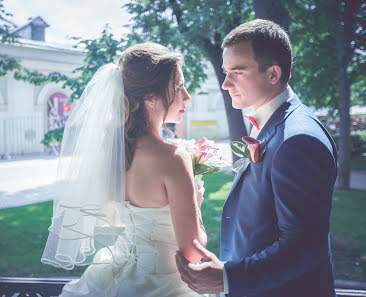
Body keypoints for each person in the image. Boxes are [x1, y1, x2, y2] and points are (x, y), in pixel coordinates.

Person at [176, 19, 338, 297]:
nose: (226, 84)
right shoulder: (265, 122)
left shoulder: (298, 140)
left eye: (237, 72)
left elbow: (305, 246)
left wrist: (227, 278)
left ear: (273, 73)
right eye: (226, 72)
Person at [41, 43, 208, 296]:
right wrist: (196, 204)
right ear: (150, 96)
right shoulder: (173, 158)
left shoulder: (113, 153)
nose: (187, 95)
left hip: (113, 276)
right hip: (166, 284)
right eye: (177, 86)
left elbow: (121, 217)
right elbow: (193, 252)